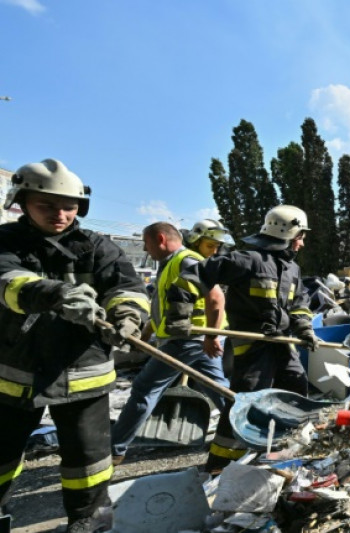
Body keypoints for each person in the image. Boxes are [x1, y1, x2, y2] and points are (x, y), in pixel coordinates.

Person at [0, 159, 149, 532]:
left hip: (85, 374)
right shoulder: (4, 242)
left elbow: (128, 288)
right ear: (22, 200)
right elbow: (7, 280)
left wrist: (127, 317)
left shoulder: (98, 247)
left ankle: (88, 523)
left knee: (89, 464)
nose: (60, 214)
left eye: (68, 206)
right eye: (46, 205)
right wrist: (53, 293)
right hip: (16, 373)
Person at [181, 205, 317, 472]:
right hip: (251, 344)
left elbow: (299, 305)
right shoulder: (246, 260)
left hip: (281, 343)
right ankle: (220, 463)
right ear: (288, 233)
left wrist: (304, 328)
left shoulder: (292, 269)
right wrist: (179, 314)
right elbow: (191, 277)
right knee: (248, 399)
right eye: (301, 236)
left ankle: (281, 448)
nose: (302, 243)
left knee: (296, 386)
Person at [110, 222, 232, 465]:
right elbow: (163, 310)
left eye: (146, 244)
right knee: (219, 390)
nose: (146, 250)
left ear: (160, 239)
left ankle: (114, 450)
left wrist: (210, 336)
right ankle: (242, 433)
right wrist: (143, 338)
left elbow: (216, 298)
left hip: (188, 340)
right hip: (192, 340)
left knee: (144, 389)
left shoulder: (187, 261)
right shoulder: (170, 265)